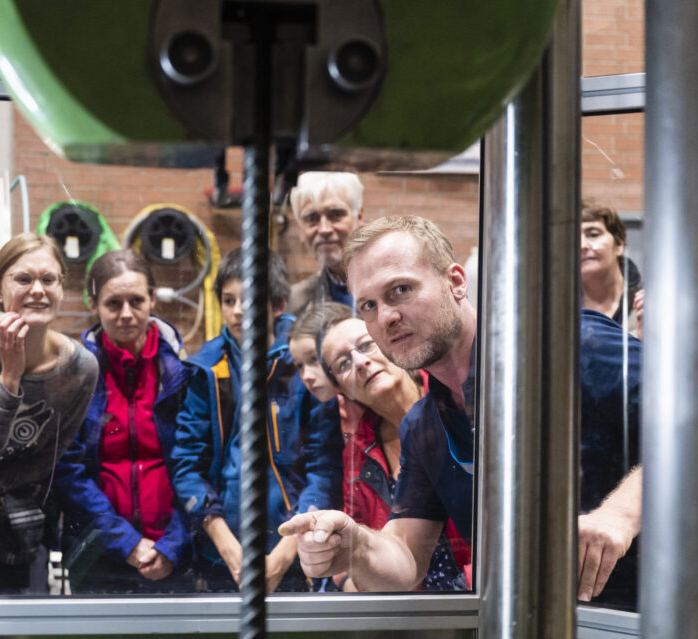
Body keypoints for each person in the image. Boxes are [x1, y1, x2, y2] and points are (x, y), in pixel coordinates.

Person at [280, 215, 642, 607]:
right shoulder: (424, 426)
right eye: (368, 304)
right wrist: (355, 544)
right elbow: (406, 558)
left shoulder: (567, 346)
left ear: (455, 282)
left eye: (400, 289)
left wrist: (620, 515)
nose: (386, 317)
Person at [170, 248, 341, 592]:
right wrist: (224, 544)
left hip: (296, 550)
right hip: (222, 555)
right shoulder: (205, 368)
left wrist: (285, 552)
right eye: (228, 300)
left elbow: (324, 466)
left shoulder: (303, 361)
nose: (236, 311)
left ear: (278, 305)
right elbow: (187, 464)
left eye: (248, 300)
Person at [0, 232, 99, 594]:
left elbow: (45, 463)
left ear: (61, 287)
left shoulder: (81, 368)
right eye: (23, 279)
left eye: (48, 279)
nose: (37, 290)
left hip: (28, 534)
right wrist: (10, 375)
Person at [52, 250, 193, 593]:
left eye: (136, 300)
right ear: (93, 304)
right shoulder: (74, 375)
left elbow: (197, 467)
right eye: (114, 303)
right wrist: (127, 544)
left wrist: (171, 545)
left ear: (152, 299)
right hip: (99, 557)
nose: (126, 314)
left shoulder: (181, 374)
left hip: (172, 556)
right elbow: (70, 473)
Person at [314, 307, 468, 592]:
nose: (360, 362)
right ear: (342, 390)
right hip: (406, 607)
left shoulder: (453, 402)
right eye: (344, 363)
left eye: (365, 345)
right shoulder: (359, 450)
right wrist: (350, 579)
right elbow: (355, 530)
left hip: (477, 593)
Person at [287, 172, 365, 315]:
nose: (324, 229)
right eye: (312, 218)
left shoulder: (396, 285)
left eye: (335, 215)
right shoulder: (294, 303)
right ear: (300, 228)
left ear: (358, 217)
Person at [581, 202, 644, 337]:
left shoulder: (649, 303)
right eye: (572, 238)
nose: (582, 245)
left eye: (593, 234)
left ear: (619, 244)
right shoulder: (556, 310)